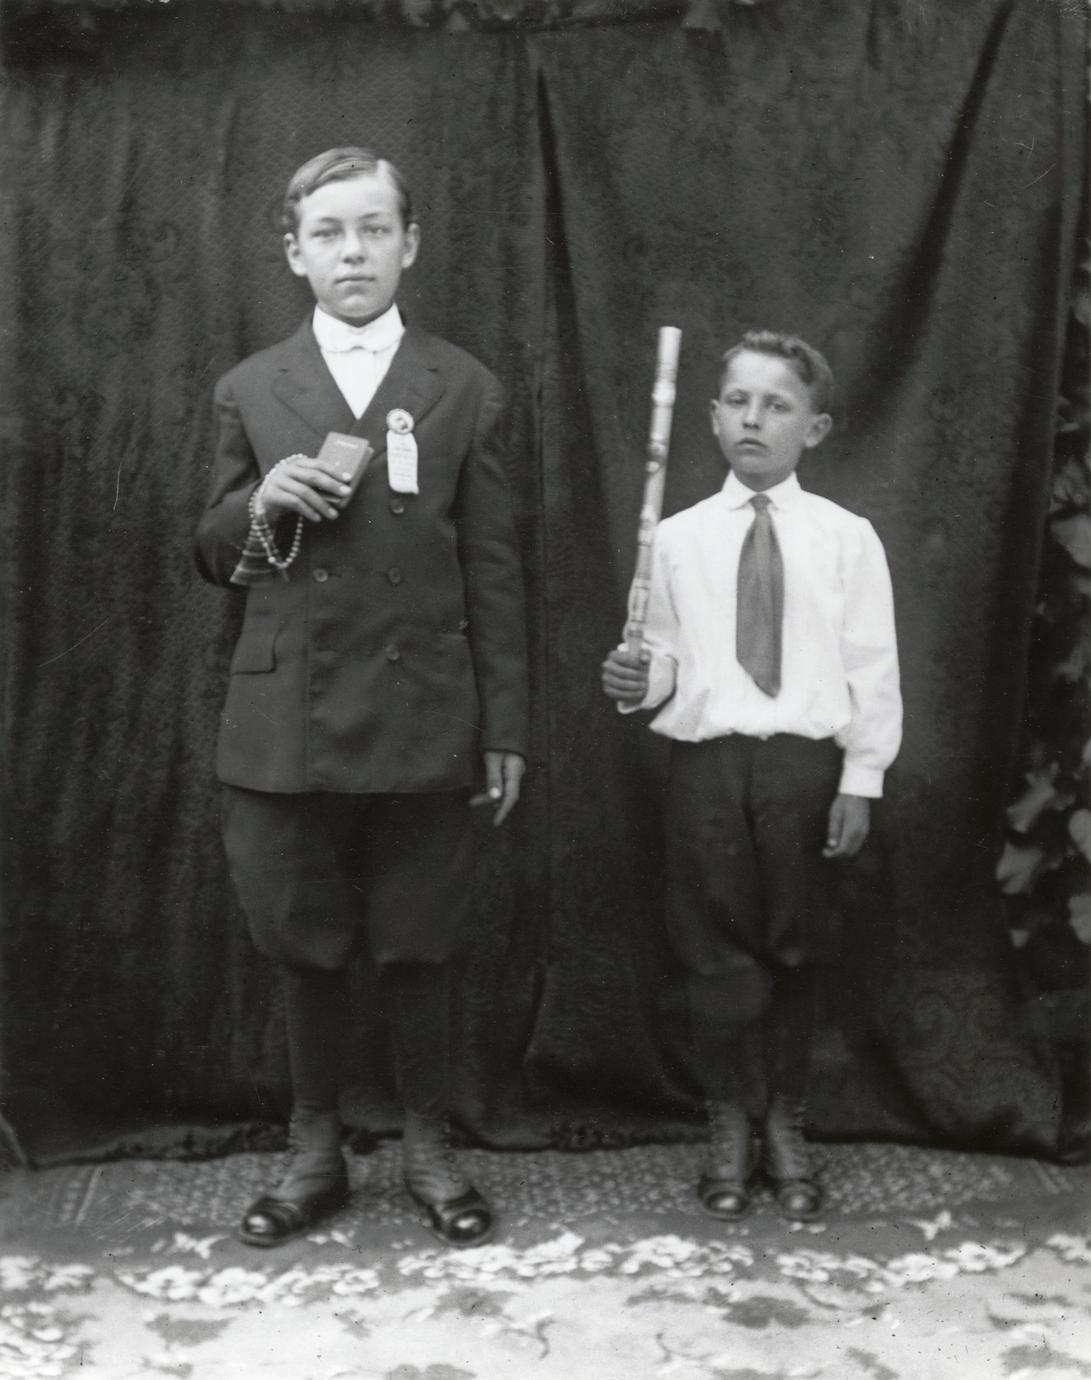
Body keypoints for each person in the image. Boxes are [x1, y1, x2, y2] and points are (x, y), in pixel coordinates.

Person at [195, 147, 528, 1250]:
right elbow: (208, 552)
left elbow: (493, 571)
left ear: (410, 245)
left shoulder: (463, 387)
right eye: (329, 233)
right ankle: (315, 1151)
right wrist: (259, 504)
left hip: (425, 708)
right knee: (302, 938)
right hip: (287, 716)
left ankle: (428, 1145)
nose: (353, 252)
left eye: (374, 229)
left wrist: (505, 726)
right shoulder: (251, 387)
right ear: (294, 253)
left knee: (420, 936)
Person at [601, 331, 901, 1221]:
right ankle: (728, 1121)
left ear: (815, 428)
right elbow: (665, 660)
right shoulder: (677, 539)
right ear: (710, 416)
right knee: (715, 952)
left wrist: (861, 777)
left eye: (777, 405)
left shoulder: (845, 539)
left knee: (796, 946)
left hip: (802, 769)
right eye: (737, 401)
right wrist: (637, 678)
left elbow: (871, 664)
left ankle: (784, 1122)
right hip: (707, 768)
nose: (753, 420)